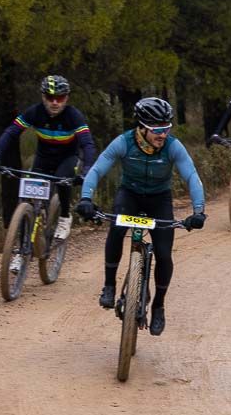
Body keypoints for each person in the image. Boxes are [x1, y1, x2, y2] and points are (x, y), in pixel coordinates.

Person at [75, 98, 205, 336]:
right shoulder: (123, 142)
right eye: (157, 129)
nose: (163, 134)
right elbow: (97, 169)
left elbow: (191, 176)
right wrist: (86, 199)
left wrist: (198, 211)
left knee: (164, 253)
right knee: (115, 229)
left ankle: (158, 305)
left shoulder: (173, 147)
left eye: (167, 128)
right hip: (130, 194)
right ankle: (109, 285)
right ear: (142, 127)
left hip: (159, 199)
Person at [0, 75, 96, 248]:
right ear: (43, 97)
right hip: (43, 158)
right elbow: (11, 132)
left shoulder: (74, 116)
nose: (55, 103)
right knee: (25, 199)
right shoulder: (34, 112)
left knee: (62, 179)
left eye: (59, 98)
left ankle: (64, 216)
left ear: (66, 98)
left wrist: (86, 170)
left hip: (68, 158)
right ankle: (21, 248)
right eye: (50, 98)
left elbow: (87, 144)